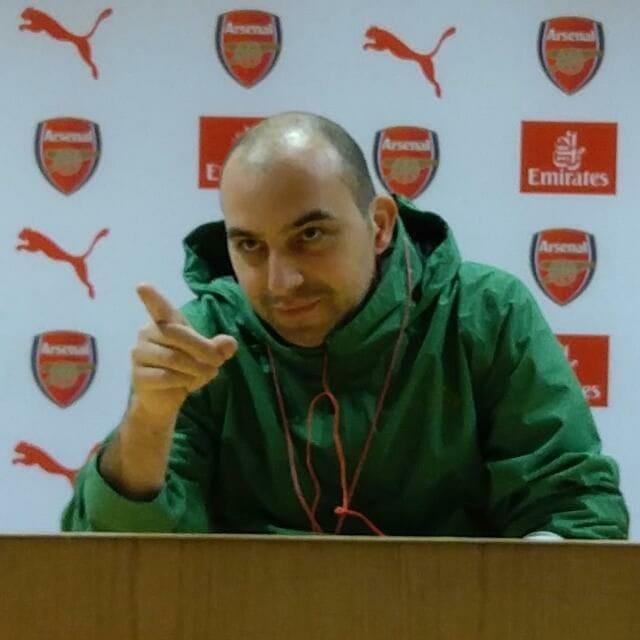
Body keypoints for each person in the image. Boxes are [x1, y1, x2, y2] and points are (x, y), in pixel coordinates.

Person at [61, 112, 629, 538]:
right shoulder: (202, 339)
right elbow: (115, 561)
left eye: (310, 235)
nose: (281, 281)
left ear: (380, 225)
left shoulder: (486, 313)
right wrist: (151, 417)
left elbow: (572, 510)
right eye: (250, 246)